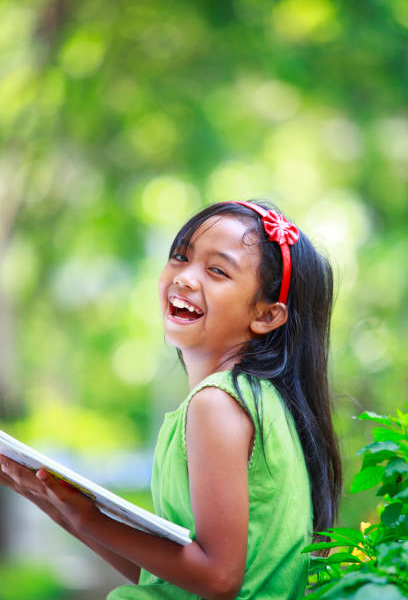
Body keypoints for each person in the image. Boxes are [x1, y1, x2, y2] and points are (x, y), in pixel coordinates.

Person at [0, 200, 342, 599]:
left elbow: (218, 580)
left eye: (217, 270)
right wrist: (58, 506)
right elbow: (167, 579)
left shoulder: (217, 404)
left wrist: (90, 519)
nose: (186, 278)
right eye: (180, 257)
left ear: (267, 315)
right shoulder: (257, 402)